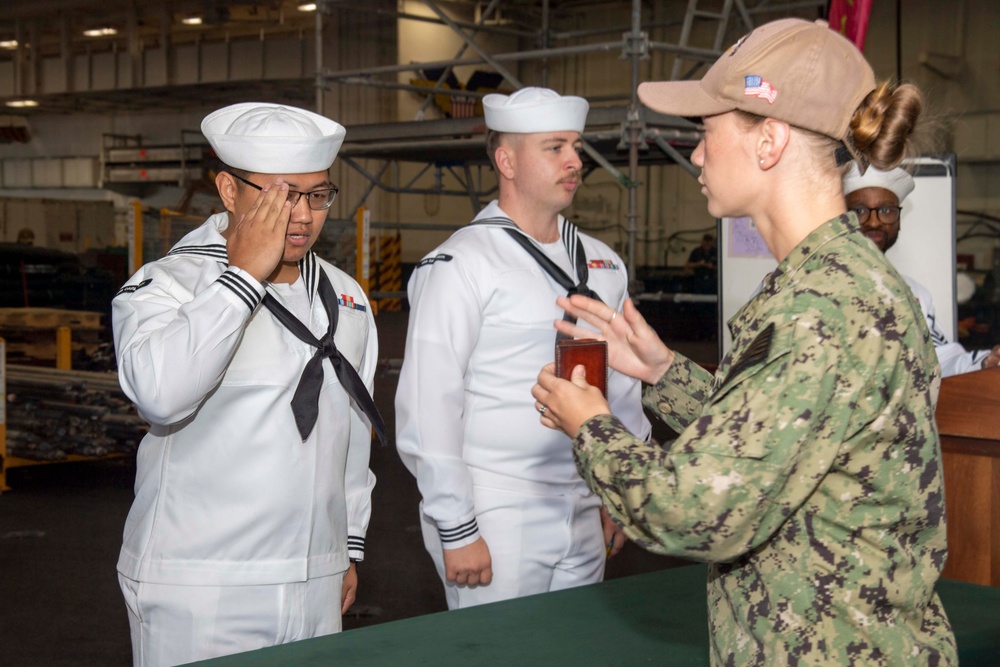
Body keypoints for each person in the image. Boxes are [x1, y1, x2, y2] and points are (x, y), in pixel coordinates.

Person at [531, 18, 956, 666]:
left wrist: (590, 424)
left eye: (706, 131)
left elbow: (691, 506)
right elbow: (791, 439)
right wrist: (664, 371)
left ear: (769, 141)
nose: (696, 154)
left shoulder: (817, 310)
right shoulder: (839, 281)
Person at [112, 102, 382, 667]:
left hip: (314, 577)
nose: (301, 215)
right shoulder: (171, 285)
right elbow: (158, 393)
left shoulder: (347, 298)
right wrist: (241, 280)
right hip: (202, 583)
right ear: (228, 190)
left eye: (316, 195)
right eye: (280, 195)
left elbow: (350, 431)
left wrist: (345, 547)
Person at [395, 87, 651, 609]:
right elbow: (429, 403)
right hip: (496, 505)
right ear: (506, 160)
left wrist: (618, 493)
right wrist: (456, 526)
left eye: (576, 147)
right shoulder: (464, 263)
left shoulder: (602, 262)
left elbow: (623, 390)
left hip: (584, 495)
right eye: (554, 148)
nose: (575, 161)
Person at [843, 164, 1000, 375]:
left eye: (886, 210)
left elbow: (940, 360)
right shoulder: (819, 287)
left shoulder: (914, 294)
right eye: (860, 211)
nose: (874, 222)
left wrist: (984, 362)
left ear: (898, 220)